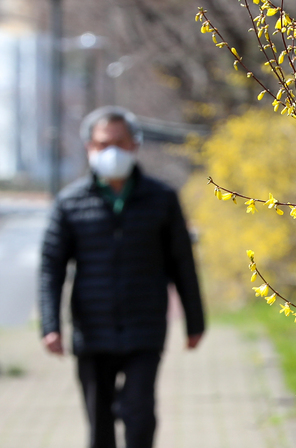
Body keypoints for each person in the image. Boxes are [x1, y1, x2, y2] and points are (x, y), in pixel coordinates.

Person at [39, 106, 206, 448]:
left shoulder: (161, 199)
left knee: (139, 412)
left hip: (144, 326)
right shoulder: (70, 203)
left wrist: (195, 321)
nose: (110, 150)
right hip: (93, 329)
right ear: (89, 148)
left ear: (134, 145)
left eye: (119, 142)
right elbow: (51, 267)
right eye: (102, 144)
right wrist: (50, 325)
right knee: (99, 421)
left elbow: (182, 263)